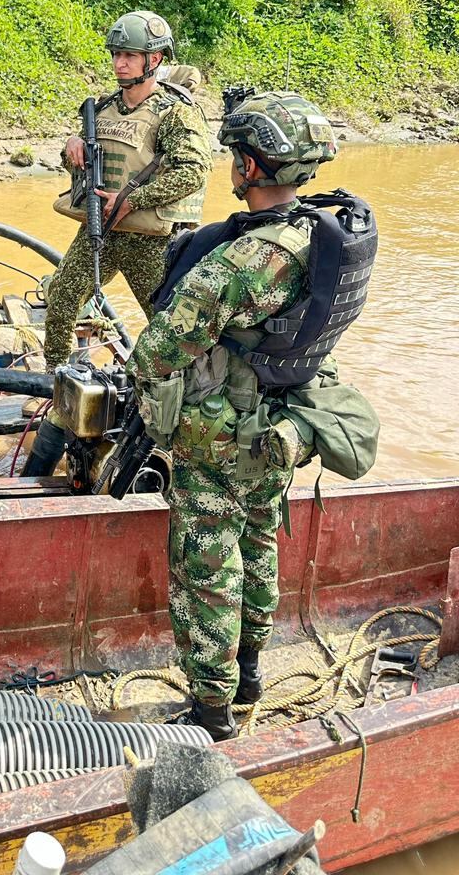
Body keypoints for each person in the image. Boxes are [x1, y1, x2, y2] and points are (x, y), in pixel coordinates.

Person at [126, 90, 373, 739]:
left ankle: (212, 716)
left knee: (206, 572)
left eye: (237, 153)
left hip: (216, 445)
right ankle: (253, 676)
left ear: (254, 167)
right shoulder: (314, 238)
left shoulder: (237, 262)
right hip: (277, 433)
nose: (230, 163)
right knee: (261, 548)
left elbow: (155, 351)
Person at [22, 9, 212, 476]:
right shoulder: (104, 108)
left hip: (150, 240)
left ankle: (179, 412)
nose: (120, 63)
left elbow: (193, 171)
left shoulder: (175, 112)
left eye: (129, 55)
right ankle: (57, 383)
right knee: (62, 297)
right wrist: (72, 151)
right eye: (116, 55)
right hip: (102, 232)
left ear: (155, 59)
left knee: (168, 329)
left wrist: (135, 199)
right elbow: (90, 171)